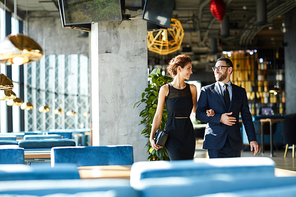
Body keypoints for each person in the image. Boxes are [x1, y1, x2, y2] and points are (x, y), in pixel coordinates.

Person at [150, 54, 214, 160]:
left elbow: (196, 111)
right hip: (171, 134)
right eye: (188, 68)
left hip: (187, 133)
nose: (191, 72)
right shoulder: (165, 89)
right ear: (179, 69)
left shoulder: (192, 88)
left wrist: (207, 112)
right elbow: (158, 115)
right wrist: (152, 137)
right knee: (176, 164)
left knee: (187, 166)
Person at [196, 57, 258, 158]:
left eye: (220, 67)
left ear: (229, 70)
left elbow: (246, 117)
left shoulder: (240, 92)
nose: (216, 70)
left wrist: (252, 139)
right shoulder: (206, 91)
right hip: (214, 142)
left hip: (234, 143)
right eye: (215, 68)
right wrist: (219, 118)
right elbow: (199, 114)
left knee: (234, 173)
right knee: (216, 174)